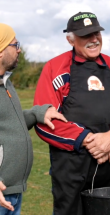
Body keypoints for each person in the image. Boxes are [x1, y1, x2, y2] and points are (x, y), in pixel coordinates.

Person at [34, 11, 110, 215]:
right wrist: (89, 141)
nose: (94, 39)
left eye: (97, 33)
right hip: (72, 165)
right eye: (86, 35)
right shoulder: (55, 68)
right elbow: (45, 119)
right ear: (71, 40)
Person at [0, 23, 67, 215]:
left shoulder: (5, 82)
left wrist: (38, 113)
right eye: (15, 44)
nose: (20, 49)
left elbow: (9, 123)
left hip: (11, 191)